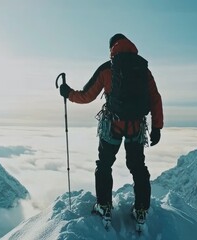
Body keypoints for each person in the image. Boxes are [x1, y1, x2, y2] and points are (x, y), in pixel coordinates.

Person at [59, 33, 163, 224]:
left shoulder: (108, 68)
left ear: (112, 48)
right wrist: (157, 127)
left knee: (104, 164)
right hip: (136, 127)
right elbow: (155, 98)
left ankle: (104, 206)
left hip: (113, 125)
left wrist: (68, 93)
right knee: (138, 166)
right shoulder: (143, 69)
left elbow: (87, 95)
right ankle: (141, 210)